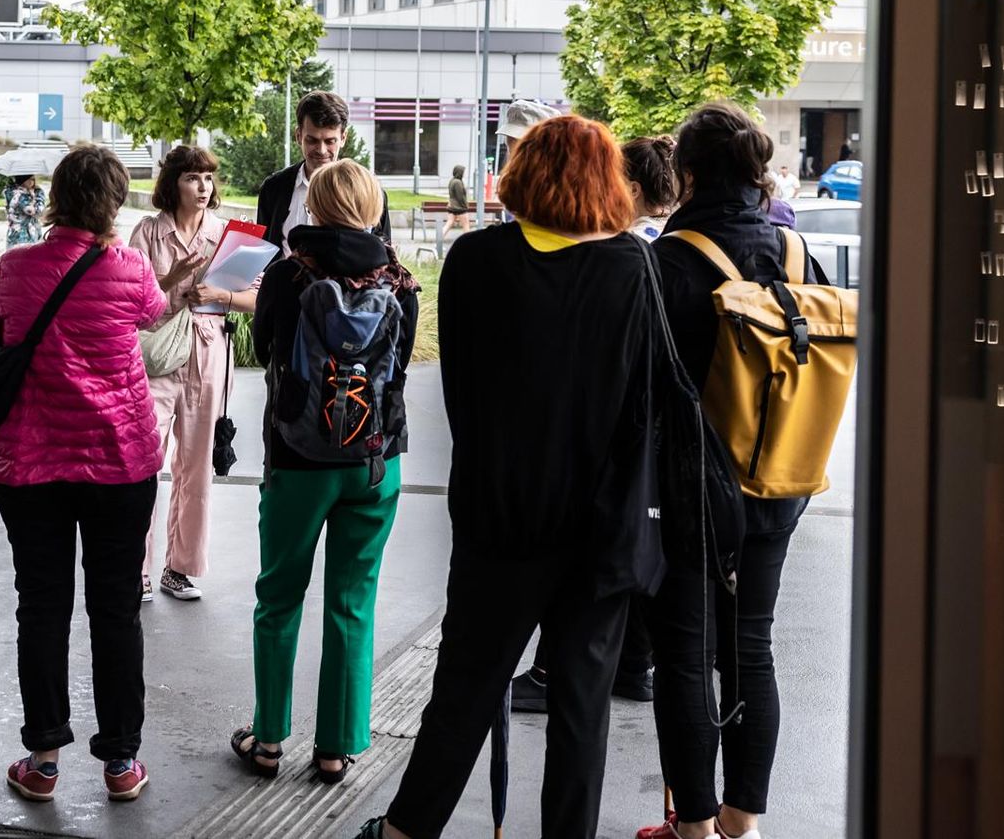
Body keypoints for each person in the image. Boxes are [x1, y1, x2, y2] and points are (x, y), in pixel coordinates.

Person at [353, 115, 661, 839]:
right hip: (599, 531)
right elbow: (642, 411)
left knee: (465, 686)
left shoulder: (473, 261)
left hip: (499, 516)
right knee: (583, 708)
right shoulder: (631, 268)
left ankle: (405, 831)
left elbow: (462, 391)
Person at [638, 104, 826, 839]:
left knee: (685, 651)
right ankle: (740, 819)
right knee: (753, 643)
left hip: (691, 488)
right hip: (778, 476)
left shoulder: (669, 257)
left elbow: (644, 383)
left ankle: (689, 828)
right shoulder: (793, 249)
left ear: (686, 174)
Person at [0, 146, 164, 806]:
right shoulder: (131, 267)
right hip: (119, 460)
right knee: (115, 610)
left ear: (55, 195)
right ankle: (122, 763)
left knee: (42, 605)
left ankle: (44, 759)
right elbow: (153, 312)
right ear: (113, 202)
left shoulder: (14, 267)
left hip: (32, 462)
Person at [233, 159, 418, 786]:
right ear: (372, 209)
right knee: (352, 601)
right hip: (373, 461)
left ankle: (267, 738)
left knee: (278, 596)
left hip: (296, 460)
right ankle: (337, 748)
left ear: (314, 207)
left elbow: (264, 349)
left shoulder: (287, 275)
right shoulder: (400, 284)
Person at [511, 131, 681, 715]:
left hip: (568, 480)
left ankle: (552, 669)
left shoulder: (632, 255)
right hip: (626, 477)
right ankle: (632, 664)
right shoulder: (639, 251)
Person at [129, 145, 254, 603]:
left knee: (196, 465)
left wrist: (221, 293)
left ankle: (179, 569)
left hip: (208, 353)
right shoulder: (147, 233)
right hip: (157, 357)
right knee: (144, 462)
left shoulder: (227, 235)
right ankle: (135, 569)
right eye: (192, 178)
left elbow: (255, 298)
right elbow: (131, 300)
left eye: (208, 178)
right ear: (172, 184)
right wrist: (170, 281)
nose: (203, 187)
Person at [254, 91, 390, 253]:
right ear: (298, 136)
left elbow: (384, 254)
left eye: (330, 141)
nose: (321, 150)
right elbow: (262, 250)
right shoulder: (273, 188)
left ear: (343, 138)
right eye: (312, 140)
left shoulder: (369, 191)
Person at [5, 173, 45, 248]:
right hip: (17, 232)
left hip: (34, 231)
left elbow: (40, 210)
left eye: (33, 179)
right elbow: (29, 210)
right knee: (16, 256)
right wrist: (32, 199)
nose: (31, 182)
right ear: (21, 179)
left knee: (33, 256)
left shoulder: (38, 192)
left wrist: (34, 196)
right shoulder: (13, 192)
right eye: (28, 179)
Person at [441, 164, 471, 238]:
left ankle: (438, 241)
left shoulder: (452, 181)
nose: (464, 174)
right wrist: (465, 206)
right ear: (460, 172)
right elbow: (460, 197)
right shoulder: (458, 182)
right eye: (463, 172)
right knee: (466, 226)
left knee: (448, 224)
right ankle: (468, 244)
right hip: (459, 208)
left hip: (451, 207)